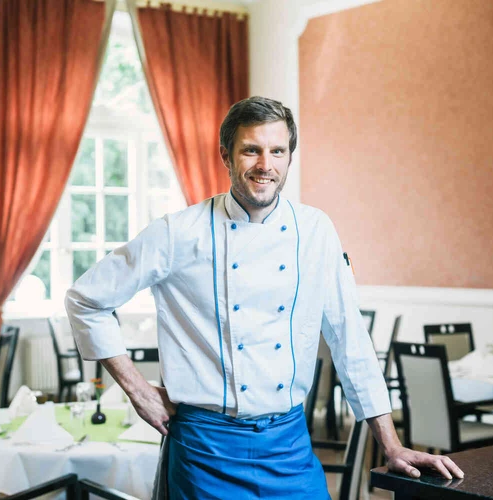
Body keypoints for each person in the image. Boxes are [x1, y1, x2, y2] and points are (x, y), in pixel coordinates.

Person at [65, 96, 463, 499]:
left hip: (289, 445)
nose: (265, 165)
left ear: (289, 157)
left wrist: (392, 445)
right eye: (251, 150)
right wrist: (138, 391)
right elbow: (85, 300)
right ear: (226, 155)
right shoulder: (178, 232)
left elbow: (349, 339)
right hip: (205, 450)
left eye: (277, 151)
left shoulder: (315, 230)